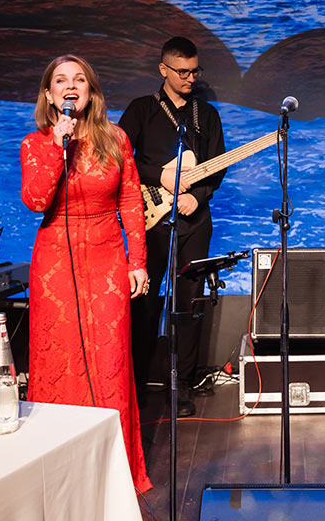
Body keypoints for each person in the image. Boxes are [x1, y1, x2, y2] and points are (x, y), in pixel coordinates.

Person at [21, 55, 150, 493]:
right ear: (49, 94)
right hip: (55, 263)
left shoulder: (115, 138)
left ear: (91, 93)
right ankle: (61, 475)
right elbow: (37, 201)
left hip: (107, 258)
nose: (71, 86)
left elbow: (130, 200)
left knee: (109, 360)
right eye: (61, 80)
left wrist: (137, 261)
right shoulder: (35, 144)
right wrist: (57, 145)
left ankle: (113, 473)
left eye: (80, 80)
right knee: (61, 361)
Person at [120, 36, 226, 417]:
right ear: (163, 69)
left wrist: (199, 196)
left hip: (195, 221)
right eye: (182, 72)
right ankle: (133, 388)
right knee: (145, 302)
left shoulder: (206, 115)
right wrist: (159, 177)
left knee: (189, 304)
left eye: (195, 71)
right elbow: (121, 160)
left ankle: (181, 387)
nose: (190, 78)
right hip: (151, 221)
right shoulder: (141, 109)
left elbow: (217, 166)